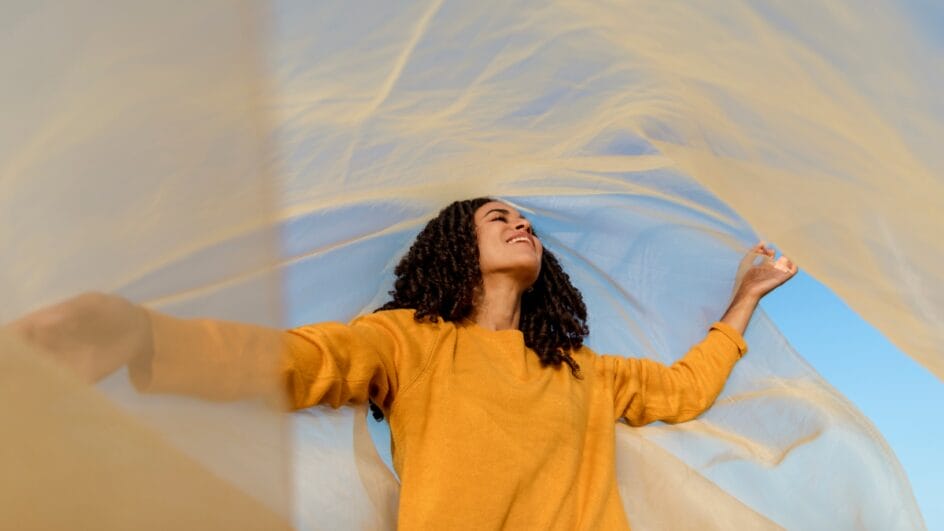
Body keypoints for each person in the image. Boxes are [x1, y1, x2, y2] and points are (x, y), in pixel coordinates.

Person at [9, 197, 797, 530]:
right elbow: (294, 361)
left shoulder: (586, 371)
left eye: (526, 220)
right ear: (458, 248)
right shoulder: (406, 340)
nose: (521, 223)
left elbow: (686, 389)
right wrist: (142, 336)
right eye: (499, 217)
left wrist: (746, 298)